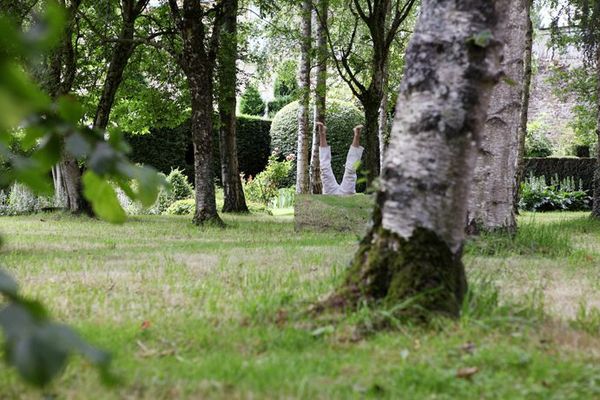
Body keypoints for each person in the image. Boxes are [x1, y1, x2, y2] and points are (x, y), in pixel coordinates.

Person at [317, 122, 364, 195]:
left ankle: (322, 134)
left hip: (332, 195)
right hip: (341, 196)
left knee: (324, 168)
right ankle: (357, 135)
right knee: (351, 169)